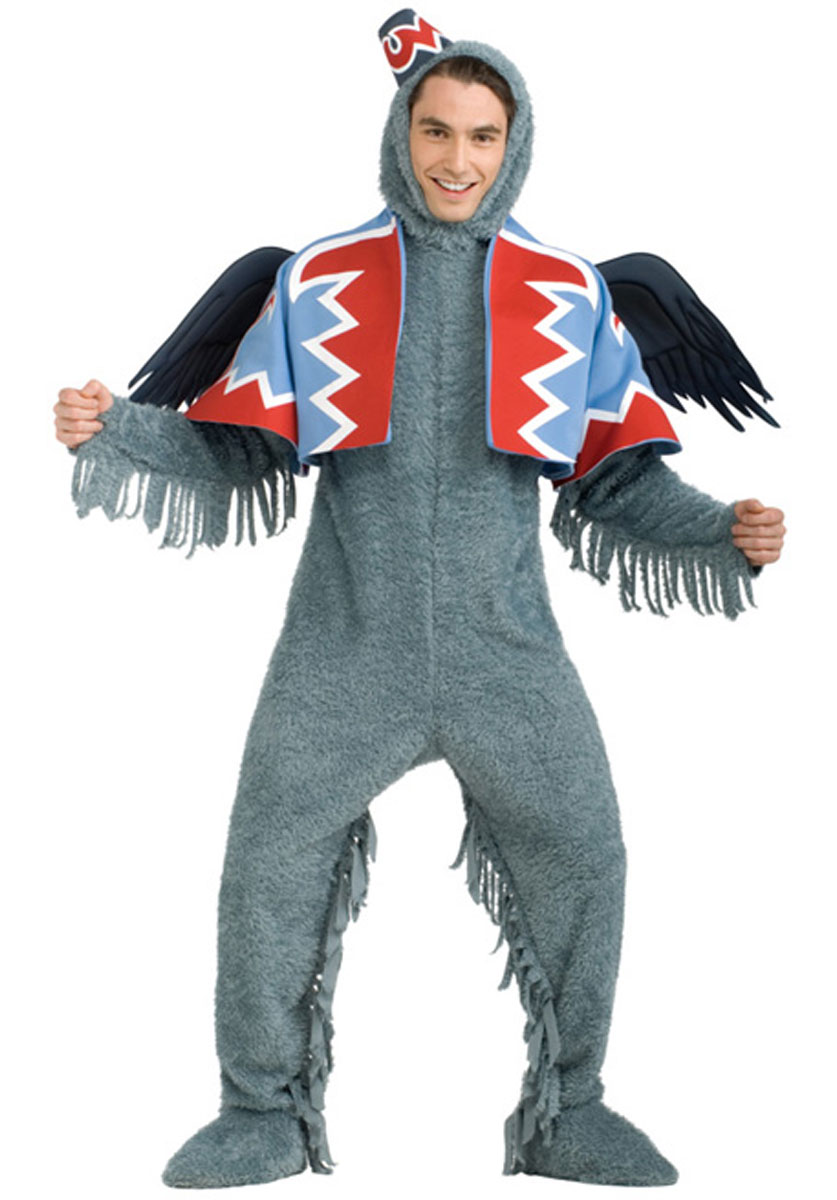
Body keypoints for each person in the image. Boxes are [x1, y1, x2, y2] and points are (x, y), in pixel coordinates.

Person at [53, 11, 785, 1190]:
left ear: (516, 144)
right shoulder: (320, 281)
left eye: (482, 136)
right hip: (343, 646)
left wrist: (721, 529)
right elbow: (240, 447)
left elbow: (614, 479)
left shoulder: (565, 293)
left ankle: (569, 1109)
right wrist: (119, 431)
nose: (457, 159)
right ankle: (261, 1113)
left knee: (588, 854)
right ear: (401, 134)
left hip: (508, 653)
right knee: (267, 863)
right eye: (436, 130)